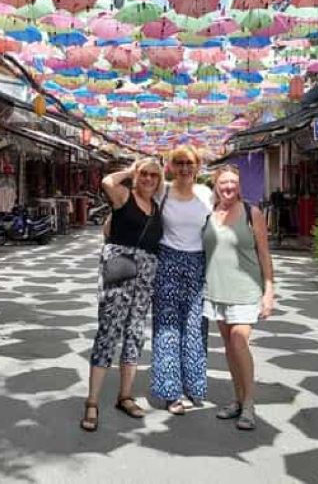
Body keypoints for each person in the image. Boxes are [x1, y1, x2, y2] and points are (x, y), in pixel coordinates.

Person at [81, 157, 164, 432]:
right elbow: (107, 181)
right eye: (144, 174)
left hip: (145, 275)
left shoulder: (157, 207)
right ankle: (92, 402)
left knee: (135, 332)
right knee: (109, 330)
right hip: (119, 268)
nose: (148, 179)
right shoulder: (124, 196)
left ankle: (125, 396)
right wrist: (130, 170)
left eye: (154, 175)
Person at [203, 165, 275, 431]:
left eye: (233, 182)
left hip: (246, 290)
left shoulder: (251, 213)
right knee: (229, 347)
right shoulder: (209, 214)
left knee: (239, 341)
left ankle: (249, 404)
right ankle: (237, 399)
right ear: (216, 185)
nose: (229, 186)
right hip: (216, 291)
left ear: (239, 185)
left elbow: (264, 253)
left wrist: (269, 291)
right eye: (224, 182)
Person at [150, 146, 213, 414]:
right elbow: (124, 187)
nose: (184, 168)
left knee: (195, 326)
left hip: (198, 263)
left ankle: (193, 385)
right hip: (167, 261)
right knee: (167, 327)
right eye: (179, 163)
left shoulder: (206, 194)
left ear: (197, 166)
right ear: (171, 166)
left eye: (189, 163)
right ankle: (170, 392)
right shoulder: (161, 191)